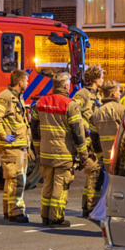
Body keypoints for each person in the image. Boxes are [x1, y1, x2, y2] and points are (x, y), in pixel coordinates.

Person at [35, 72, 86, 228]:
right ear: (65, 86)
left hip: (45, 152)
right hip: (63, 154)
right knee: (60, 185)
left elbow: (34, 129)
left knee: (47, 185)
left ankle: (45, 216)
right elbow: (78, 133)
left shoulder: (41, 102)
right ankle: (56, 218)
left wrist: (37, 149)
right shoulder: (70, 105)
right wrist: (83, 154)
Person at [0, 69, 31, 223]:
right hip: (13, 147)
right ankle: (16, 211)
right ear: (20, 82)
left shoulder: (17, 97)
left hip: (18, 146)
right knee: (18, 180)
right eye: (26, 80)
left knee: (11, 180)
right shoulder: (5, 97)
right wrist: (3, 136)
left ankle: (9, 211)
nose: (28, 83)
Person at [73, 65, 104, 218]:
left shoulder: (97, 95)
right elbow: (75, 114)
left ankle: (88, 206)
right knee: (94, 174)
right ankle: (91, 208)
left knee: (93, 176)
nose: (103, 80)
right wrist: (87, 128)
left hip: (95, 140)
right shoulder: (82, 94)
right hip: (88, 141)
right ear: (96, 79)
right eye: (101, 77)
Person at [90, 80, 125, 170]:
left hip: (106, 159)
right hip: (122, 158)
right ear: (113, 93)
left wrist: (100, 155)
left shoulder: (96, 113)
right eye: (119, 91)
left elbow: (94, 137)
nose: (120, 94)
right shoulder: (123, 110)